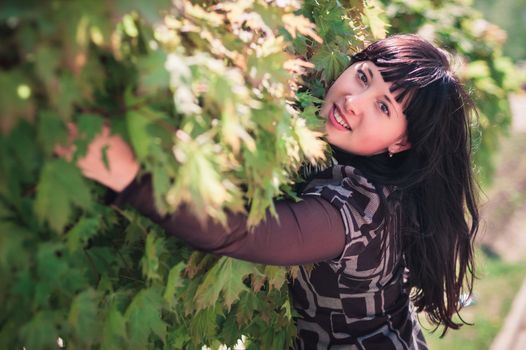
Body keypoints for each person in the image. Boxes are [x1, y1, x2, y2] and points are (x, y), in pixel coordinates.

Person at [64, 34, 480, 349]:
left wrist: (130, 176)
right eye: (363, 76)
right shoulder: (381, 171)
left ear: (401, 143)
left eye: (384, 107)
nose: (355, 101)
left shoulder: (354, 212)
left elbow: (246, 232)